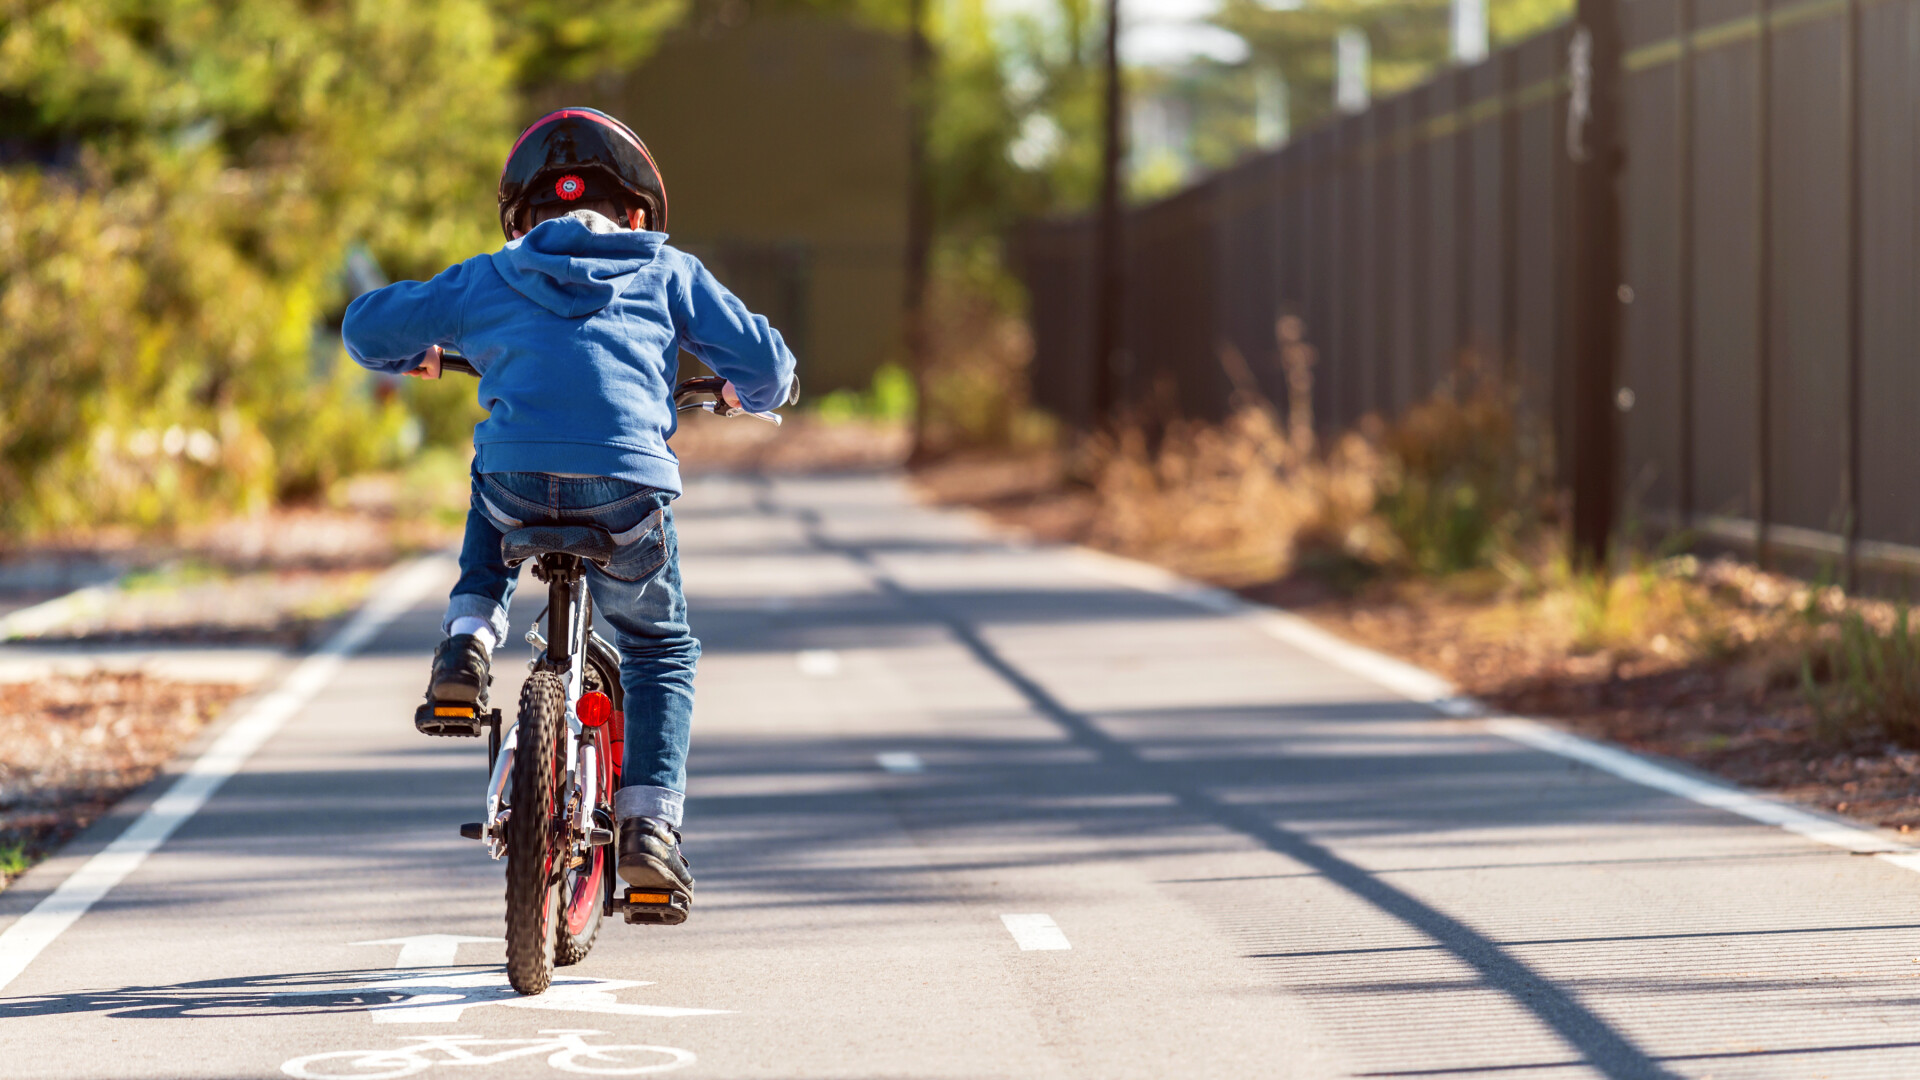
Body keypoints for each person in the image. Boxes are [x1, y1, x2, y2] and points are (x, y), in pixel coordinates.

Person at [340, 107, 797, 913]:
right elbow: (766, 363)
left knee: (496, 465)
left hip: (517, 490)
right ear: (638, 213)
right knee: (660, 647)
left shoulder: (492, 275)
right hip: (626, 494)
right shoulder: (666, 268)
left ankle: (467, 641)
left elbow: (364, 327)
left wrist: (425, 350)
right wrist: (746, 392)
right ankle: (651, 831)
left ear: (526, 217)